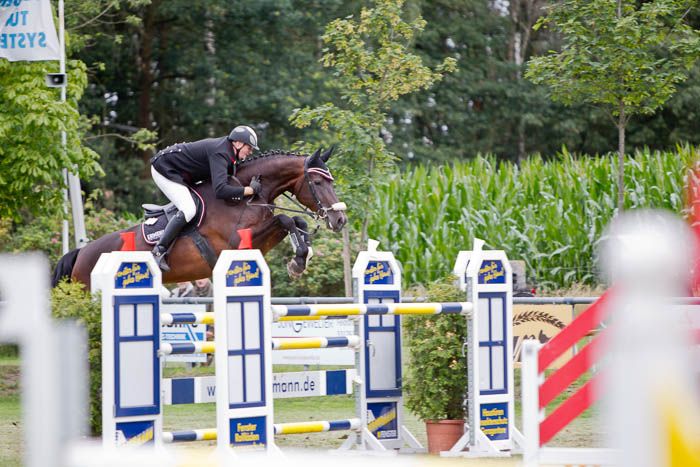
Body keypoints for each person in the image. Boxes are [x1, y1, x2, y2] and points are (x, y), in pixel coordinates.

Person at [150, 125, 263, 271]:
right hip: (165, 168)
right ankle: (158, 250)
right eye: (249, 148)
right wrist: (249, 190)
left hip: (181, 172)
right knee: (189, 209)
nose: (250, 152)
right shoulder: (221, 153)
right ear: (238, 143)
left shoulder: (229, 153)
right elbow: (220, 190)